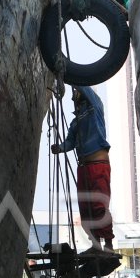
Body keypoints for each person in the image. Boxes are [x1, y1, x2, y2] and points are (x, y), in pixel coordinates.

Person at [51, 85, 113, 252]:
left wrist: (71, 78)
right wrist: (59, 148)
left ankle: (108, 245)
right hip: (83, 168)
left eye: (76, 91)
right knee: (86, 209)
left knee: (99, 206)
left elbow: (84, 87)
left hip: (98, 165)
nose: (74, 94)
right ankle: (96, 244)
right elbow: (70, 142)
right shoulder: (75, 122)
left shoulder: (95, 105)